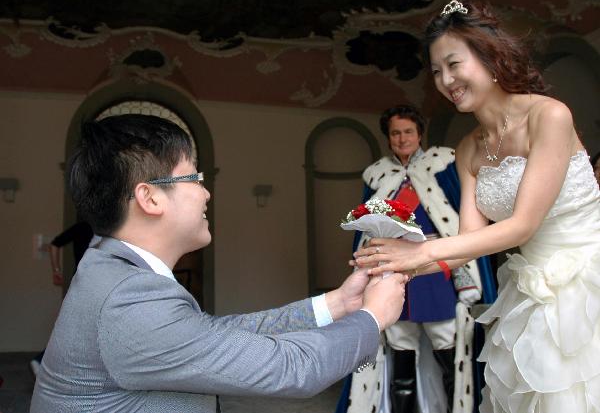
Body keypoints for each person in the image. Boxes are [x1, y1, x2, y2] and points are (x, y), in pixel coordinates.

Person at [30, 114, 409, 412]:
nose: (206, 192)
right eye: (194, 176)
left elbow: (212, 335)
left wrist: (337, 304)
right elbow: (294, 368)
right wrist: (373, 317)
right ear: (149, 198)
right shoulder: (128, 299)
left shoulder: (110, 267)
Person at [353, 0, 600, 413]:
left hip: (587, 282)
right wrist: (393, 264)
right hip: (531, 289)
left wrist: (421, 252)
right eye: (436, 71)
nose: (446, 80)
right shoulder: (468, 149)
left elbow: (521, 225)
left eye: (453, 64)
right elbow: (469, 241)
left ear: (490, 57)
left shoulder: (549, 117)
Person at [339, 105, 496, 413]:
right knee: (400, 355)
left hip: (435, 272)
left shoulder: (443, 165)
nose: (402, 138)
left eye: (408, 131)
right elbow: (366, 226)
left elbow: (461, 220)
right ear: (388, 137)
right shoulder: (377, 176)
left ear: (420, 134)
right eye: (395, 133)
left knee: (449, 353)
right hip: (392, 276)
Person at [29, 220, 95, 377]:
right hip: (91, 282)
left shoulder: (83, 226)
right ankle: (42, 360)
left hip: (80, 281)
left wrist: (56, 271)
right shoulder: (109, 227)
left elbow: (54, 245)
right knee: (79, 327)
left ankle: (43, 361)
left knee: (79, 327)